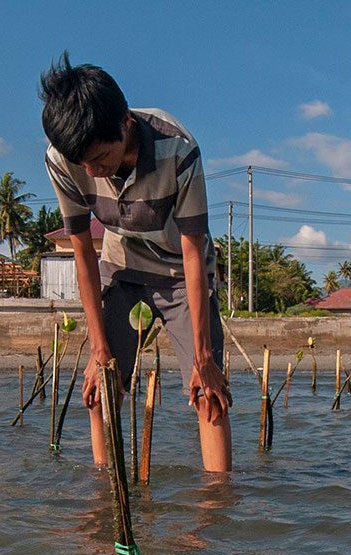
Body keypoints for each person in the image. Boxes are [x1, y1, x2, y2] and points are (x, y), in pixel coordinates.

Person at [40, 53, 232, 472]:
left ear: (125, 124)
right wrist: (99, 349)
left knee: (208, 395)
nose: (92, 171)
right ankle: (106, 501)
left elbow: (193, 250)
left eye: (101, 159)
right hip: (121, 268)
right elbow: (82, 251)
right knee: (102, 388)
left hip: (183, 273)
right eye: (82, 163)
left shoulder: (177, 149)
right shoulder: (63, 158)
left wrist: (203, 359)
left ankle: (216, 517)